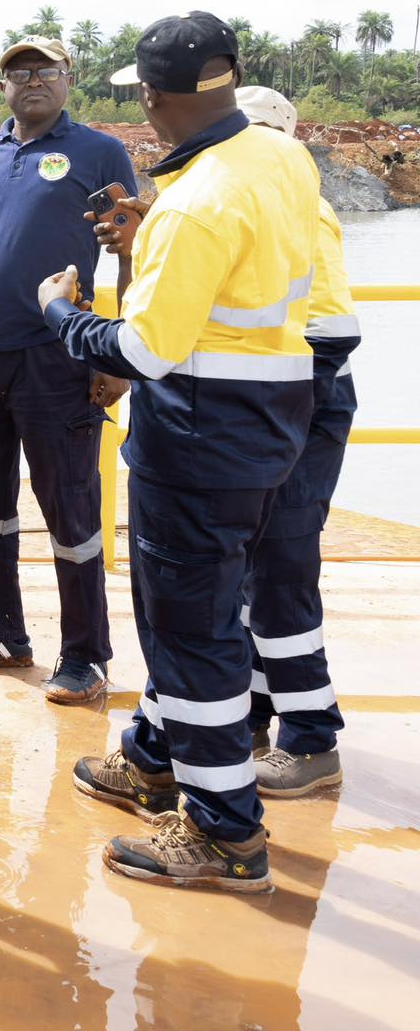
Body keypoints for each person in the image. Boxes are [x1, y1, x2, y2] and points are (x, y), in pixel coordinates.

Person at [38, 12, 319, 893]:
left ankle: (223, 832)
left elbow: (143, 350)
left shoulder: (194, 205)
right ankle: (155, 759)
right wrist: (156, 227)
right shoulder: (279, 159)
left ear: (154, 100)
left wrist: (61, 313)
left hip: (198, 441)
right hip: (271, 422)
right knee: (208, 614)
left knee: (190, 635)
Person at [0, 35, 137, 703]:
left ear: (68, 78)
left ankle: (84, 656)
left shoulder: (100, 152)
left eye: (46, 70)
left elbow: (132, 252)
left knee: (71, 509)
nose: (33, 81)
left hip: (57, 356)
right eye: (19, 72)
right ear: (4, 85)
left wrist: (119, 353)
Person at [224, 87, 357, 794]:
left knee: (280, 571)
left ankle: (310, 738)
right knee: (253, 572)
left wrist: (269, 407)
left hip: (301, 406)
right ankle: (251, 715)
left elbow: (330, 332)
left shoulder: (306, 210)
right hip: (276, 404)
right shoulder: (259, 208)